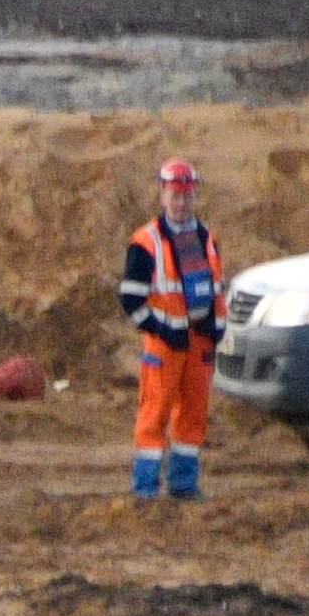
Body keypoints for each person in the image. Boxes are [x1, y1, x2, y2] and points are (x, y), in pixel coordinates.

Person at [116, 159, 221, 503]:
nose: (180, 203)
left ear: (194, 195)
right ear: (162, 195)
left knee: (192, 417)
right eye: (174, 195)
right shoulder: (146, 242)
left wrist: (215, 327)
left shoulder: (207, 237)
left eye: (186, 196)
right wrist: (159, 328)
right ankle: (144, 490)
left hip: (199, 343)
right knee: (154, 415)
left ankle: (183, 486)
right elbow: (131, 299)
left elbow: (217, 287)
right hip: (164, 346)